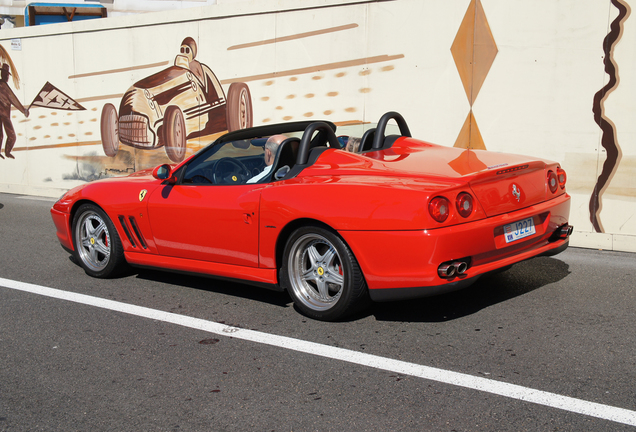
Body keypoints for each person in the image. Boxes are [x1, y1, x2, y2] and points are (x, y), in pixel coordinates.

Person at [0, 63, 29, 159]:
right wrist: (23, 110)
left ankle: (6, 152)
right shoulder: (3, 85)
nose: (7, 77)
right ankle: (7, 152)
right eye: (7, 75)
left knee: (1, 135)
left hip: (4, 115)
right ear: (3, 74)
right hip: (4, 115)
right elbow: (13, 100)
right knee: (11, 136)